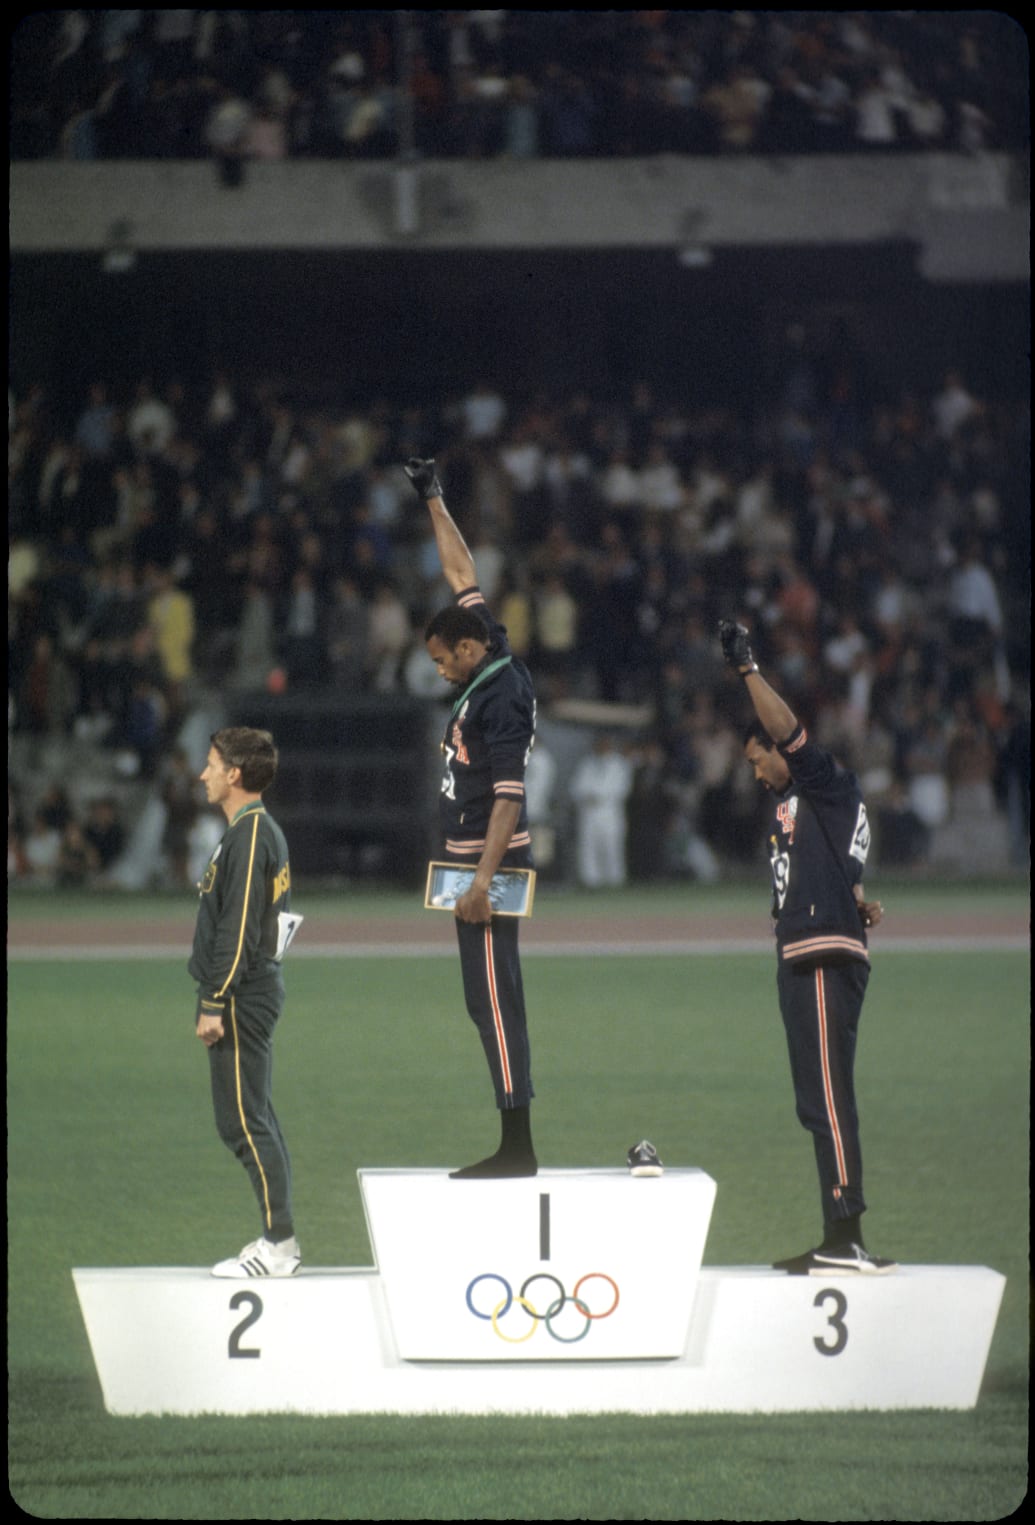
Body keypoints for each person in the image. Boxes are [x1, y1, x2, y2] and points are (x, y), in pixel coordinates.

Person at [718, 618, 897, 1276]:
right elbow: (838, 865)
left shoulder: (822, 782)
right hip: (806, 950)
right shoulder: (807, 806)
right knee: (813, 1100)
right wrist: (854, 897)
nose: (757, 770)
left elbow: (788, 731)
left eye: (757, 756)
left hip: (821, 956)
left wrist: (746, 669)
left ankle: (847, 1237)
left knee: (827, 1096)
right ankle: (834, 1232)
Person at [404, 456, 538, 1180]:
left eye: (439, 659)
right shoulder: (486, 644)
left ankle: (516, 1144)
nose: (438, 670)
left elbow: (509, 794)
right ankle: (513, 1135)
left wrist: (481, 881)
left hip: (489, 863)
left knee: (494, 996)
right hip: (470, 860)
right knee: (481, 997)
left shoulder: (500, 696)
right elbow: (461, 572)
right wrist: (433, 496)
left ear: (465, 648)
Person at [189, 727, 301, 1277]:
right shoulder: (252, 831)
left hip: (240, 994)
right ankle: (278, 1239)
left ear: (235, 774)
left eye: (211, 764)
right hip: (249, 989)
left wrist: (214, 1000)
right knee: (253, 1117)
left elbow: (236, 932)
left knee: (243, 1122)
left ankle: (279, 1245)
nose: (203, 773)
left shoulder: (251, 833)